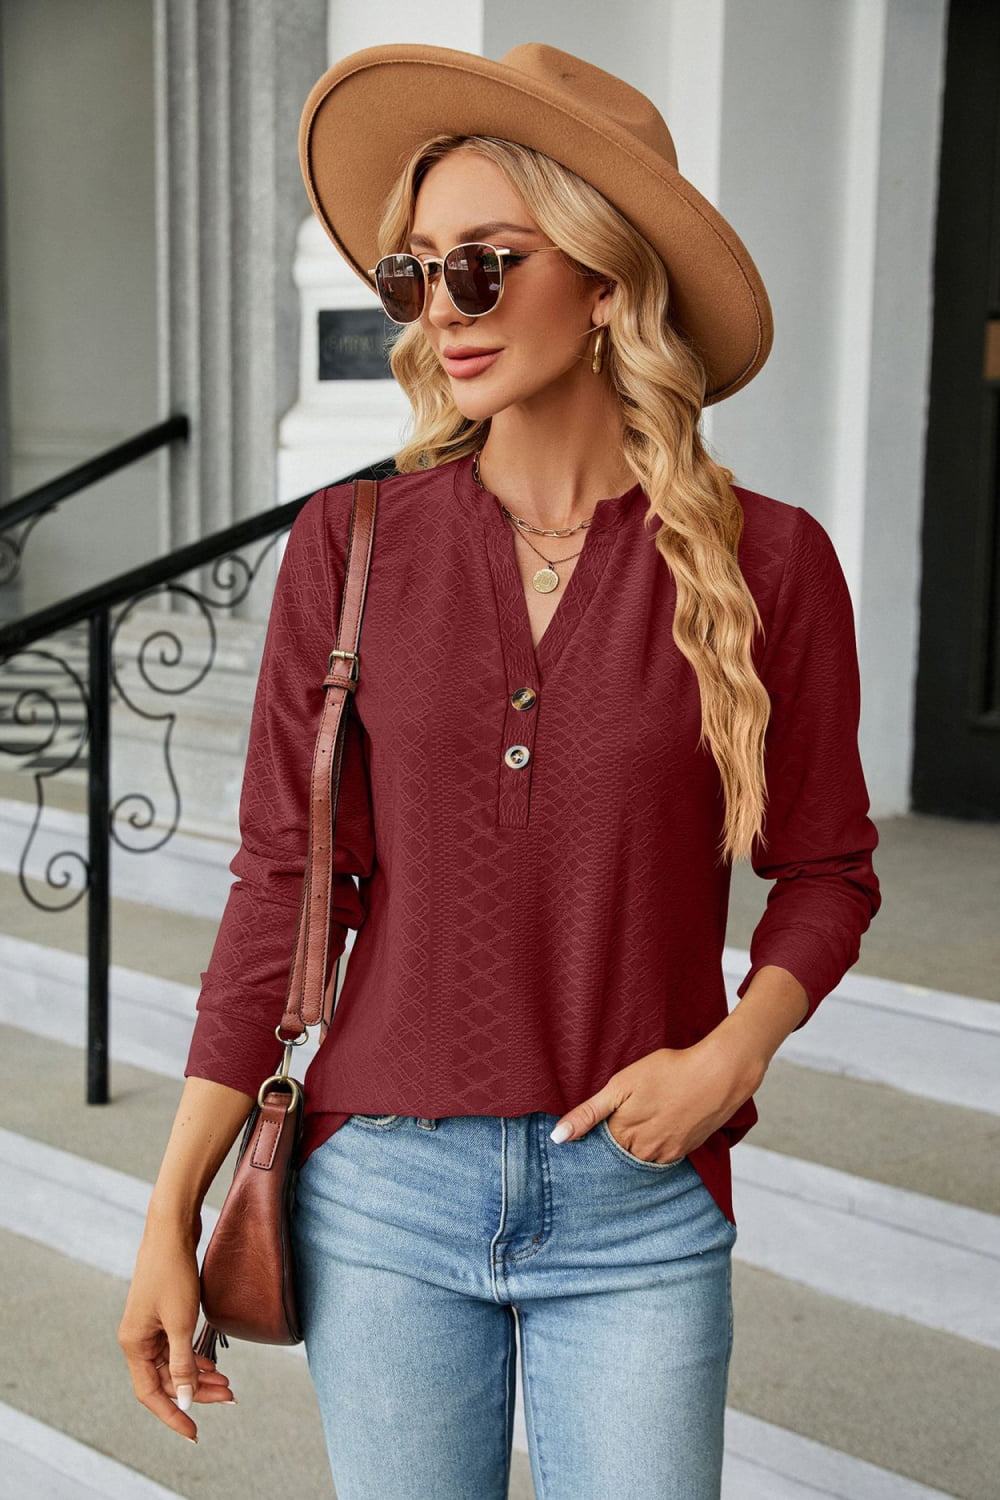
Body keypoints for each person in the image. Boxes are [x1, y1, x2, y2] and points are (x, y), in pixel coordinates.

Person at [118, 41, 881, 1500]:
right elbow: (284, 886)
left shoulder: (769, 562)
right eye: (417, 275)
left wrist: (733, 1056)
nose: (442, 312)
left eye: (485, 264)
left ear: (603, 283)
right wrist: (172, 1206)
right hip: (381, 1195)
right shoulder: (351, 548)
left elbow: (828, 870)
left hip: (639, 1202)